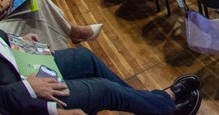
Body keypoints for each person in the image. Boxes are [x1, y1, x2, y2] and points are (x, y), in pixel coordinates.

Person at [0, 30, 202, 114]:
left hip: (16, 62)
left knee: (84, 58)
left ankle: (152, 103)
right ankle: (164, 106)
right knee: (104, 90)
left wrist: (15, 41)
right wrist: (28, 88)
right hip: (16, 96)